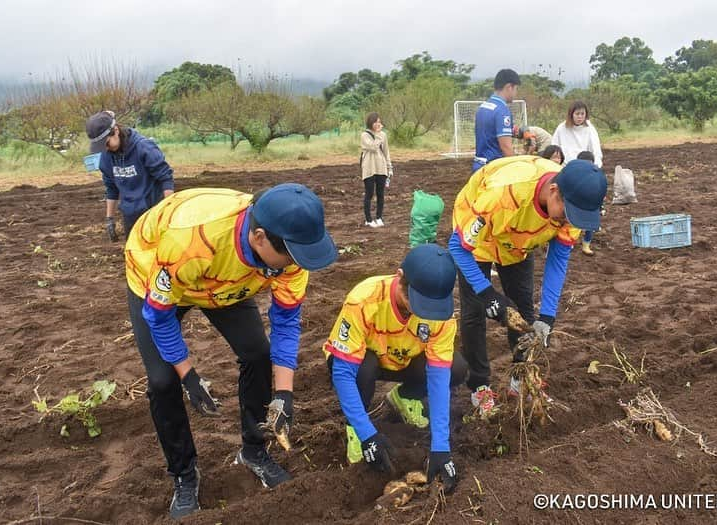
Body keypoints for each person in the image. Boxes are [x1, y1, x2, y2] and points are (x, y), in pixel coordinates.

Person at [124, 183, 337, 519]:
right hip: (159, 273)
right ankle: (184, 474)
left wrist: (284, 394)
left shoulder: (290, 254)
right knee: (163, 381)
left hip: (227, 280)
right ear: (260, 238)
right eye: (290, 258)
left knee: (257, 353)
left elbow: (286, 322)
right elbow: (159, 318)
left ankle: (254, 450)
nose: (296, 265)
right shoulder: (191, 241)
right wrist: (189, 376)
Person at [448, 157, 607, 417]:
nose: (569, 222)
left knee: (522, 307)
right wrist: (487, 293)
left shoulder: (573, 208)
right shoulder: (503, 195)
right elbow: (458, 247)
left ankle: (521, 378)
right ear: (554, 191)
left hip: (520, 239)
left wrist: (548, 316)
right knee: (475, 311)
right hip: (478, 234)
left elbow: (559, 259)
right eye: (567, 214)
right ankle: (480, 386)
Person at [323, 244, 464, 493]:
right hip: (363, 361)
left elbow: (439, 376)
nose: (419, 311)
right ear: (399, 278)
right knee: (363, 369)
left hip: (404, 359)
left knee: (457, 368)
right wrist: (367, 433)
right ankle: (355, 429)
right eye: (415, 300)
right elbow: (343, 373)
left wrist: (441, 447)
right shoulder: (365, 299)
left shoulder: (441, 316)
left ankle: (404, 397)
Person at [86, 110, 175, 241]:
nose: (105, 149)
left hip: (153, 213)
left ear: (116, 131)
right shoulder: (105, 157)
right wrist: (109, 219)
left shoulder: (143, 147)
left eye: (106, 143)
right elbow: (111, 188)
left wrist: (168, 213)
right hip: (130, 215)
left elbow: (165, 179)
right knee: (135, 256)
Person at [472, 69, 521, 172]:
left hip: (478, 165)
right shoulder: (502, 110)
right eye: (516, 89)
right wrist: (516, 168)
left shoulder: (483, 106)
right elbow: (506, 146)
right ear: (509, 87)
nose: (516, 93)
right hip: (493, 168)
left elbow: (489, 132)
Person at [360, 112, 393, 228]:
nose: (378, 124)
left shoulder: (383, 135)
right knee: (369, 193)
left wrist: (389, 167)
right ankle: (368, 219)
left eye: (379, 122)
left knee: (380, 194)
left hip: (381, 167)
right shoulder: (365, 135)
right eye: (376, 122)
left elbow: (386, 152)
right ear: (370, 122)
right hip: (369, 167)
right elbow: (373, 147)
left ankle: (379, 217)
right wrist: (378, 134)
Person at [551, 101, 603, 168]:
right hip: (565, 165)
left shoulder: (589, 128)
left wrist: (596, 165)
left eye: (582, 114)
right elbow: (555, 147)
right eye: (577, 114)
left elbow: (596, 149)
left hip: (584, 165)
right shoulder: (562, 128)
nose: (580, 117)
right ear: (571, 114)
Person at [575, 150, 599, 255]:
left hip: (591, 204)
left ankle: (586, 246)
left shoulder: (596, 175)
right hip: (577, 204)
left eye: (589, 163)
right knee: (574, 225)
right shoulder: (574, 175)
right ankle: (570, 242)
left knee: (590, 226)